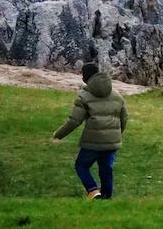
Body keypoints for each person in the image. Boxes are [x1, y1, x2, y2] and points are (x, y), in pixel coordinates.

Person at [52, 61, 128, 199]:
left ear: (85, 78)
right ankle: (106, 196)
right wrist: (116, 134)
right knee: (106, 168)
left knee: (81, 166)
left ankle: (93, 191)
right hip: (112, 141)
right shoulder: (117, 96)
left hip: (93, 141)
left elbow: (74, 121)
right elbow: (124, 119)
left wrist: (58, 135)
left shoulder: (83, 96)